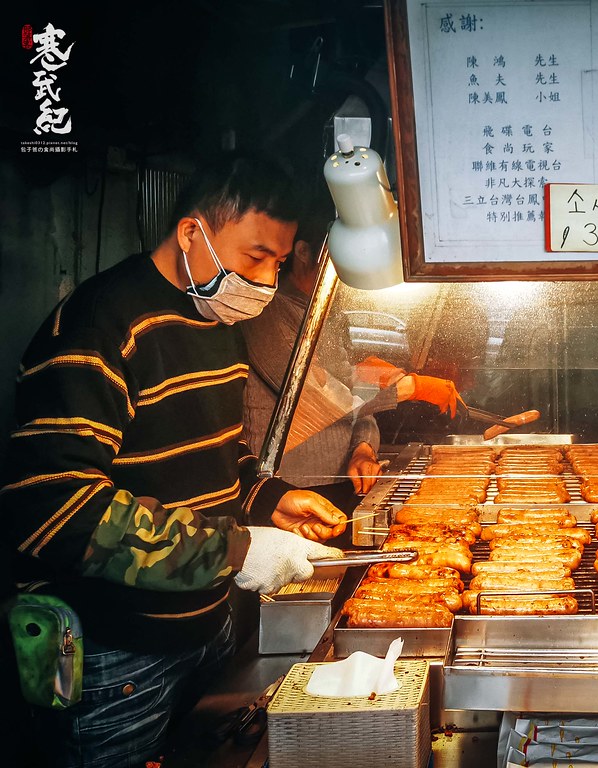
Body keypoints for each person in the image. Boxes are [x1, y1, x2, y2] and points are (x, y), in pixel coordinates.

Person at [0, 153, 353, 767]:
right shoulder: (99, 327)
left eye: (276, 260)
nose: (267, 281)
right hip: (114, 657)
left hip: (207, 631)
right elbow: (55, 511)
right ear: (194, 232)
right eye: (254, 257)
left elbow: (221, 453)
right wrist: (239, 550)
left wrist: (271, 500)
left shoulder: (217, 322)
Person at [242, 209, 470, 508]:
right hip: (289, 490)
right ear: (302, 252)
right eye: (340, 255)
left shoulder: (323, 310)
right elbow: (315, 394)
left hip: (342, 483)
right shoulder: (266, 314)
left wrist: (363, 447)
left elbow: (354, 399)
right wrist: (409, 388)